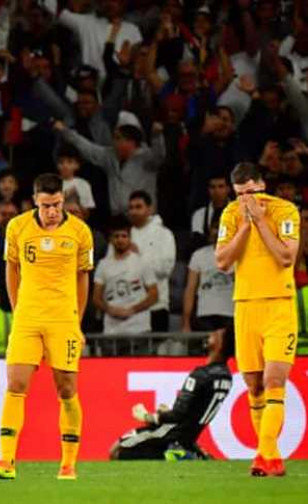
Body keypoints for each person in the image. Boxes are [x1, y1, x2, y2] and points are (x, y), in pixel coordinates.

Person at [0, 173, 93, 481]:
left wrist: (77, 322)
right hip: (27, 319)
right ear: (34, 201)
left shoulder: (80, 232)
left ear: (63, 200)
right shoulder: (17, 227)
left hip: (63, 319)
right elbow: (12, 270)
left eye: (56, 204)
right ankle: (6, 461)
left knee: (66, 388)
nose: (52, 211)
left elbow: (83, 277)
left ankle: (68, 464)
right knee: (15, 384)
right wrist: (19, 311)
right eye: (46, 206)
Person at [215, 162, 300, 477]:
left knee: (274, 380)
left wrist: (261, 221)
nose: (246, 200)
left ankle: (261, 456)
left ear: (262, 185)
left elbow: (286, 257)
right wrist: (245, 226)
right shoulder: (230, 215)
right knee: (253, 386)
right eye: (240, 194)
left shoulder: (285, 211)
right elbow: (222, 261)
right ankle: (272, 456)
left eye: (250, 192)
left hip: (279, 304)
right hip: (246, 305)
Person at [110, 326, 235, 460]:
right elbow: (196, 410)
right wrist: (166, 412)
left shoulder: (201, 375)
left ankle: (180, 454)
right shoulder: (226, 376)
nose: (211, 334)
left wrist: (149, 417)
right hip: (189, 435)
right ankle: (188, 451)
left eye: (216, 334)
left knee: (116, 451)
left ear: (220, 345)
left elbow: (178, 414)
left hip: (171, 432)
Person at [92, 216, 158, 343]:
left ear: (130, 238)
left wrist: (132, 310)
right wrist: (110, 309)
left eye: (124, 236)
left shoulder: (142, 262)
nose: (120, 240)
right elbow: (96, 297)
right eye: (116, 236)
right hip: (112, 331)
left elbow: (154, 295)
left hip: (139, 328)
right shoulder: (103, 265)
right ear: (111, 239)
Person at [127, 191, 176, 332]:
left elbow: (166, 269)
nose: (134, 211)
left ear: (150, 209)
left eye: (138, 207)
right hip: (128, 305)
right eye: (131, 208)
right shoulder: (124, 235)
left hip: (157, 305)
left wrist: (138, 256)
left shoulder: (164, 234)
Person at [182, 222, 234, 333]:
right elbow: (190, 289)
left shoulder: (239, 254)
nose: (218, 232)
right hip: (205, 314)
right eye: (215, 228)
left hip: (230, 313)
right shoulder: (199, 255)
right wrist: (186, 322)